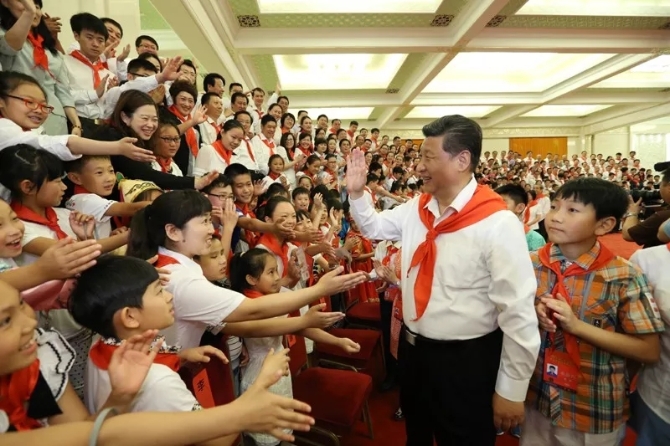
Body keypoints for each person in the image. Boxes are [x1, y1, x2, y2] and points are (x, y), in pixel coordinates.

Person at [346, 115, 541, 446]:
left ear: (462, 160)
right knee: (417, 436)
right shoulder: (417, 208)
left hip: (466, 362)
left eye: (428, 157)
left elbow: (517, 310)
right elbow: (374, 227)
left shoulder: (497, 223)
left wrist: (511, 388)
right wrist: (356, 193)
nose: (419, 167)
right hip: (414, 352)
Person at [525, 178, 664, 446]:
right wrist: (533, 312)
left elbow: (648, 350)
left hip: (592, 407)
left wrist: (577, 327)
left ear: (604, 225)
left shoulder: (623, 275)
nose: (556, 217)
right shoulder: (530, 263)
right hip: (538, 399)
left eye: (572, 210)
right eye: (554, 207)